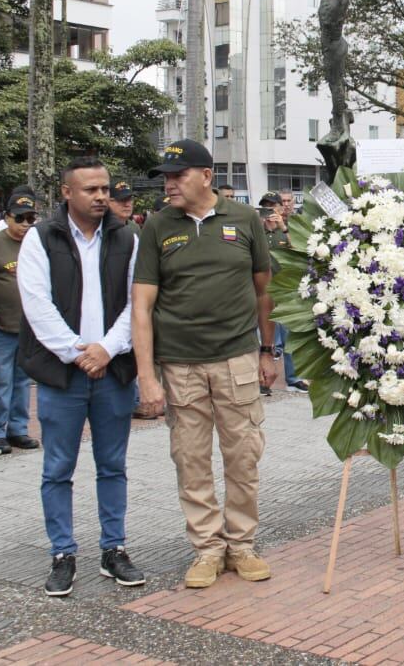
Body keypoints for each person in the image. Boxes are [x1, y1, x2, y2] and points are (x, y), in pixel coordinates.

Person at [132, 139, 277, 589]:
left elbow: (264, 290)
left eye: (178, 175)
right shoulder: (157, 227)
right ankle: (207, 550)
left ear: (206, 177)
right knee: (190, 459)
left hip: (236, 358)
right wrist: (146, 376)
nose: (170, 184)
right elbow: (141, 305)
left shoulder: (245, 219)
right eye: (166, 177)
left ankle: (241, 546)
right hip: (181, 365)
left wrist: (268, 351)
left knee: (243, 456)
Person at [17, 157, 143, 597]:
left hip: (113, 370)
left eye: (105, 188)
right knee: (58, 469)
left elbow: (136, 303)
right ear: (66, 193)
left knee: (113, 465)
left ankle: (114, 548)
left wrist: (107, 348)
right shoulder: (40, 237)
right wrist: (78, 353)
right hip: (62, 373)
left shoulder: (127, 237)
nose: (101, 196)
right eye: (90, 189)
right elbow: (36, 305)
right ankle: (62, 553)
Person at [0, 192, 41, 454]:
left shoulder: (36, 243)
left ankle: (18, 429)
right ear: (7, 218)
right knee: (0, 380)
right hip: (0, 324)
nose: (25, 224)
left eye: (30, 218)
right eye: (20, 219)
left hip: (29, 327)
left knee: (22, 381)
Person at [260, 195, 307, 393]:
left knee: (289, 333)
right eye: (266, 208)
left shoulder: (287, 229)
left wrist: (283, 227)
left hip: (284, 287)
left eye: (273, 207)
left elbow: (299, 251)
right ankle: (262, 381)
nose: (270, 211)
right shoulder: (257, 231)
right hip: (261, 290)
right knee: (261, 336)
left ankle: (293, 378)